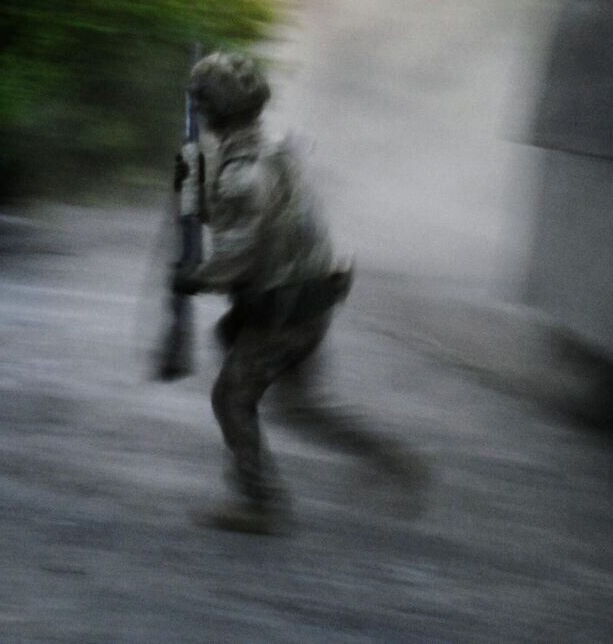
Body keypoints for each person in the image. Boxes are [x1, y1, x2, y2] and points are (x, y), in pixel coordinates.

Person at [171, 51, 425, 533]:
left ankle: (261, 503)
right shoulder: (277, 148)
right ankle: (387, 457)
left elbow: (237, 251)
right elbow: (245, 215)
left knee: (231, 397)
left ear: (213, 111)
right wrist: (194, 185)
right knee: (300, 406)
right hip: (309, 300)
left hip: (283, 310)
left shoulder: (240, 173)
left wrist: (195, 278)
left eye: (203, 106)